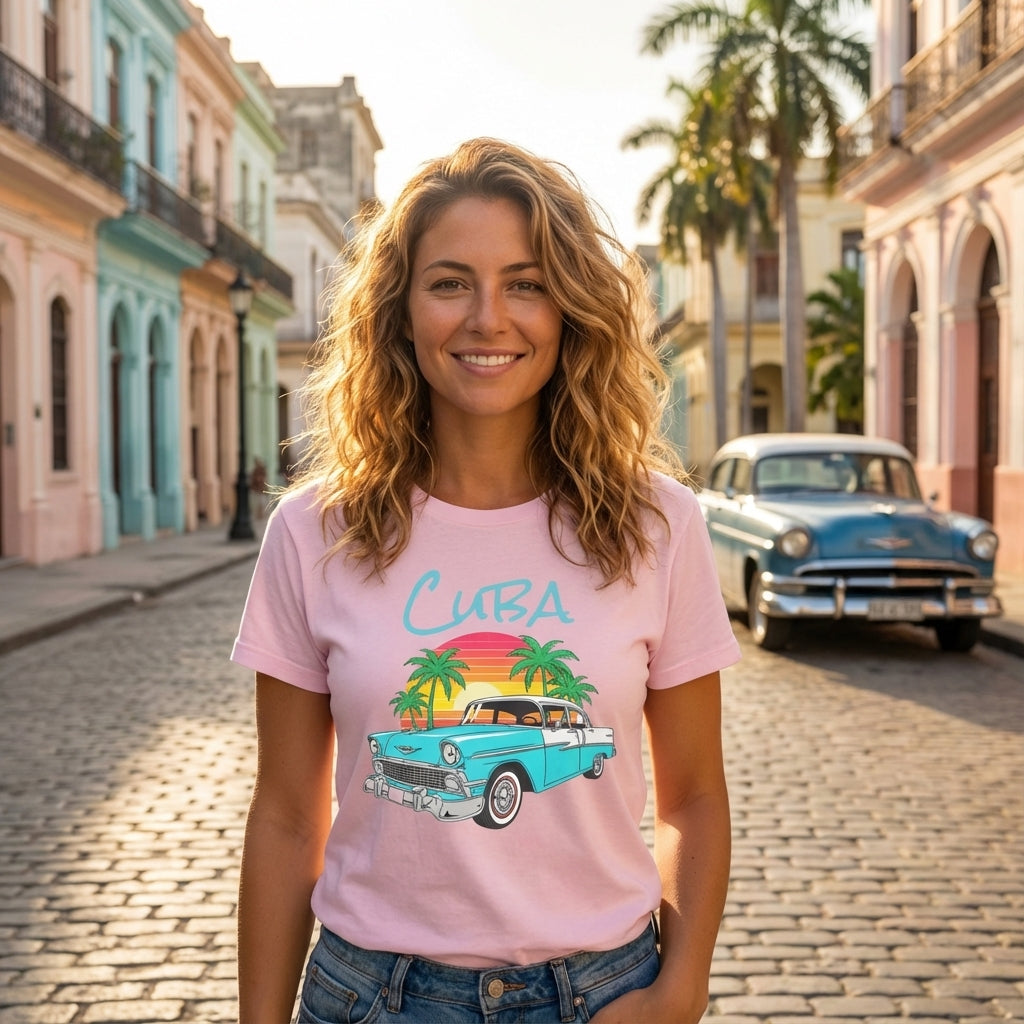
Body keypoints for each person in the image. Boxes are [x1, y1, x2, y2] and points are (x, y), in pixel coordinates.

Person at [232, 137, 741, 1024]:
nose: (487, 317)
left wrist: (681, 990)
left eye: (527, 282)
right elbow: (283, 813)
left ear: (570, 309)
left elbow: (694, 795)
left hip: (601, 995)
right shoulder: (313, 529)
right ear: (401, 311)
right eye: (449, 281)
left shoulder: (658, 523)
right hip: (369, 996)